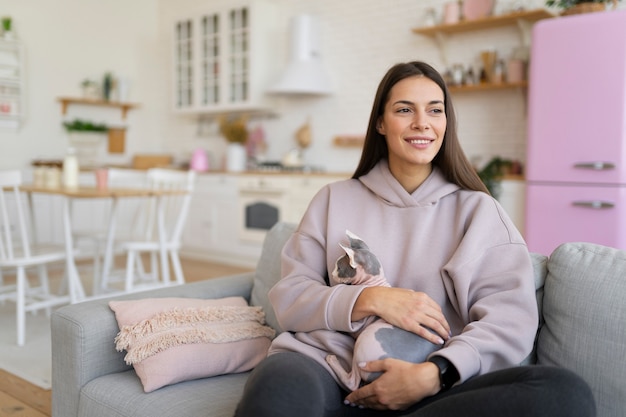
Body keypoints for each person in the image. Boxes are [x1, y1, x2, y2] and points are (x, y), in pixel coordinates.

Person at [235, 61, 595, 417]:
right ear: (380, 122)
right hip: (326, 371)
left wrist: (435, 374)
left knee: (564, 392)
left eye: (434, 110)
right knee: (276, 384)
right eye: (404, 109)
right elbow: (290, 299)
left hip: (431, 389)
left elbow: (509, 320)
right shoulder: (333, 199)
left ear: (445, 123)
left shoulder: (478, 212)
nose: (422, 122)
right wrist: (372, 298)